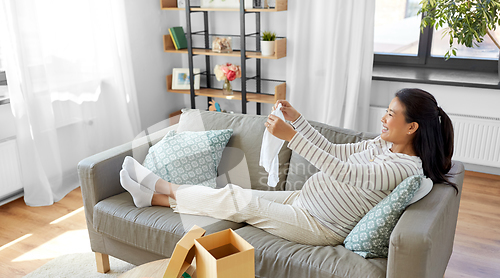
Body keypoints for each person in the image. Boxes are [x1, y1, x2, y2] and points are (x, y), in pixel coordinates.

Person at [119, 88, 456, 246]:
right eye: (386, 110)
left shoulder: (404, 168)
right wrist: (298, 120)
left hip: (320, 226)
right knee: (231, 193)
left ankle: (162, 188)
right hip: (303, 201)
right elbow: (333, 150)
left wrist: (292, 137)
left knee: (241, 202)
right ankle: (152, 199)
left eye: (391, 114)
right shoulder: (381, 143)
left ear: (412, 127)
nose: (383, 118)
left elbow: (348, 173)